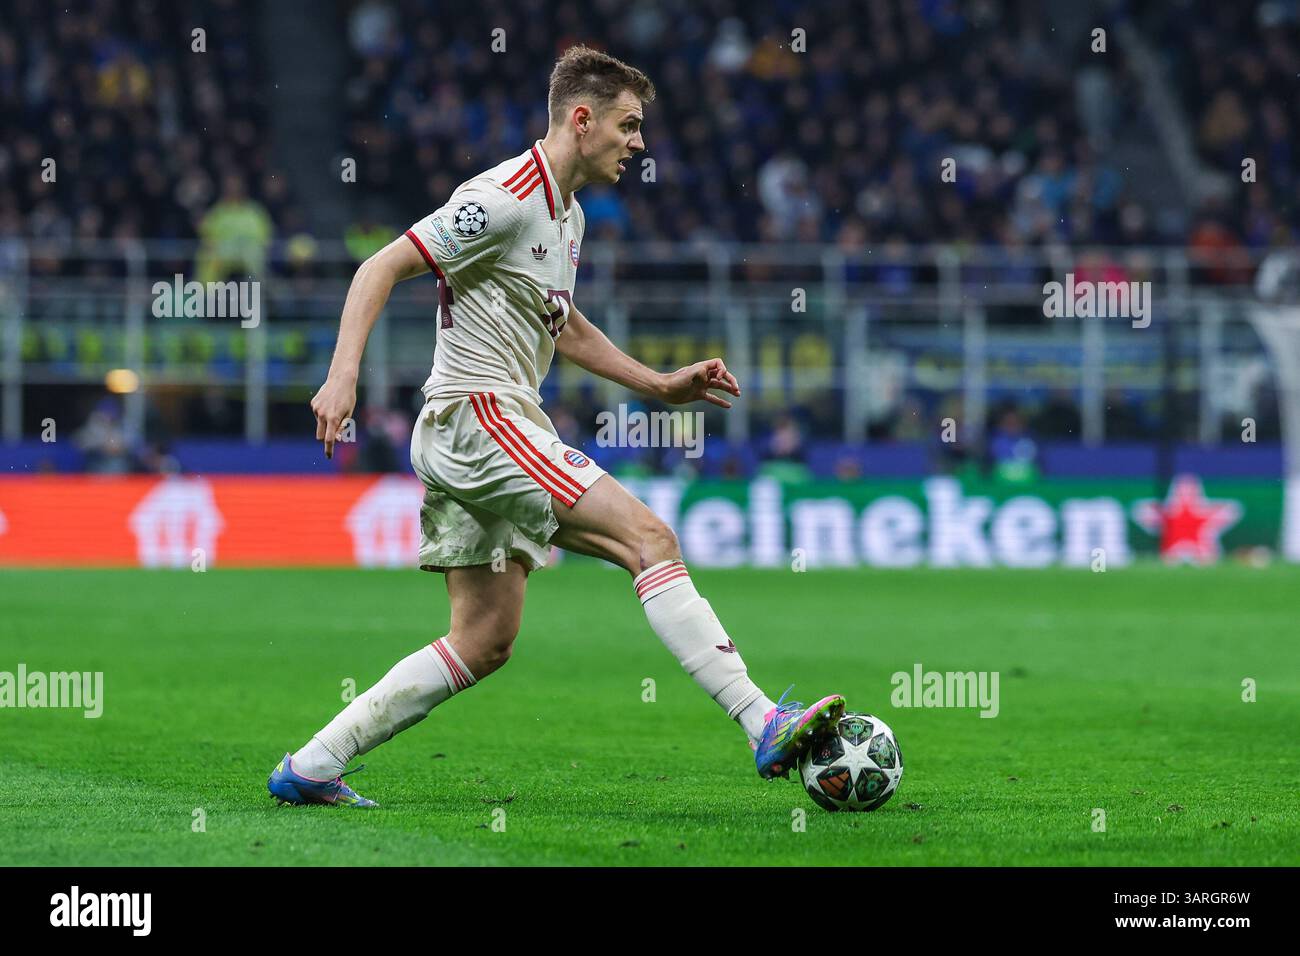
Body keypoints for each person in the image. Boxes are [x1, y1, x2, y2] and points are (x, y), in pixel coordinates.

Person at [267, 46, 843, 807]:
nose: (639, 145)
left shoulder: (565, 215)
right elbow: (379, 267)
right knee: (650, 540)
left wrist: (658, 384)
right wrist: (341, 377)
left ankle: (311, 765)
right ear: (582, 118)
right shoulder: (503, 196)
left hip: (481, 426)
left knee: (485, 640)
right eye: (628, 126)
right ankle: (760, 718)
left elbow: (559, 324)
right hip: (479, 416)